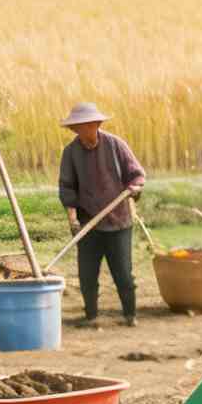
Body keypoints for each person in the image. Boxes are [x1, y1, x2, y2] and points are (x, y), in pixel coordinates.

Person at [56, 102, 145, 327]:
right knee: (87, 275)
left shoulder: (116, 145)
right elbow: (67, 189)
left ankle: (130, 315)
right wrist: (73, 219)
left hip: (119, 221)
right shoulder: (70, 153)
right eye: (77, 128)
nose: (82, 132)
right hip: (88, 223)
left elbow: (136, 175)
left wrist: (135, 188)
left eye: (86, 126)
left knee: (123, 273)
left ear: (97, 124)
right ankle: (92, 317)